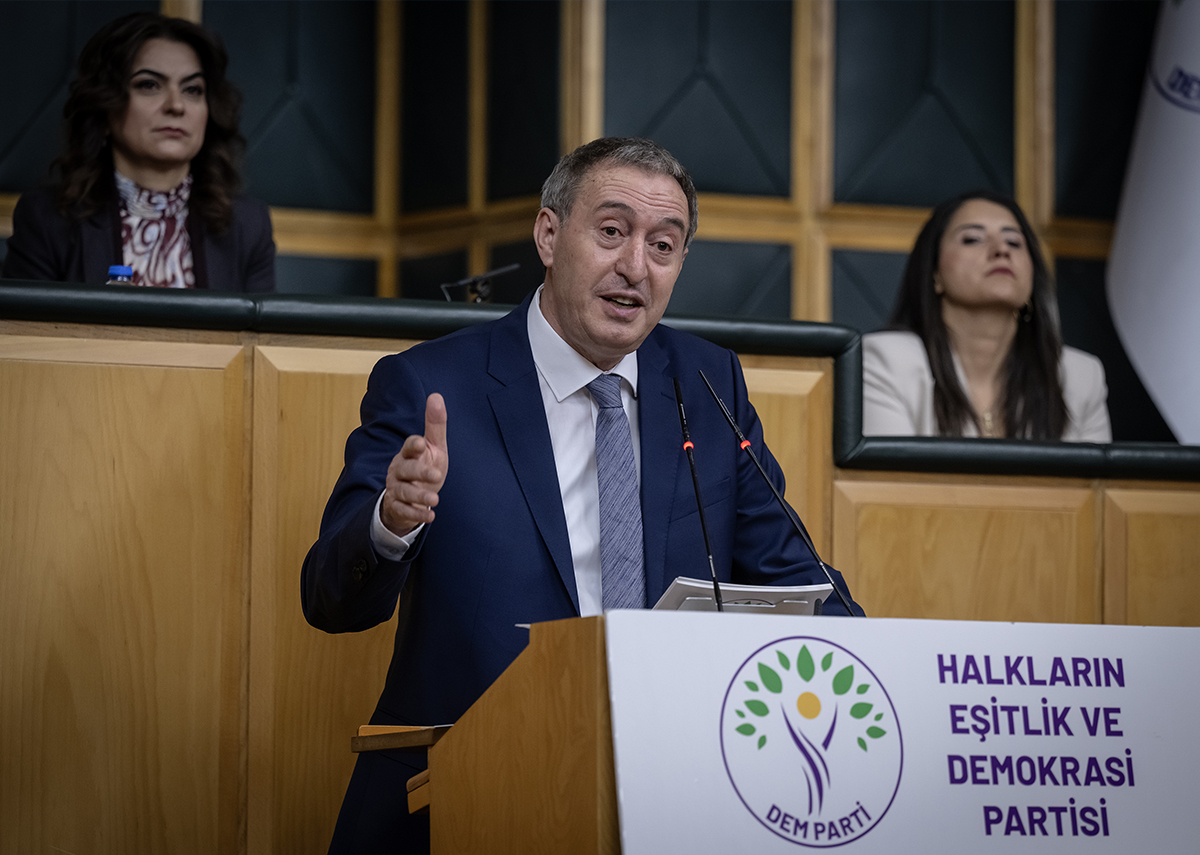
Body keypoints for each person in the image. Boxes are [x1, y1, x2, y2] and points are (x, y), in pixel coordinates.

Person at [301, 137, 863, 853]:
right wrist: (391, 522)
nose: (636, 266)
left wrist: (888, 669)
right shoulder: (430, 384)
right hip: (464, 787)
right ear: (548, 235)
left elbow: (794, 575)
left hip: (665, 790)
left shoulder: (707, 383)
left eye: (664, 245)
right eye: (612, 231)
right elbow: (331, 599)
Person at [2, 12, 274, 291]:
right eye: (149, 85)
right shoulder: (47, 219)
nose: (176, 105)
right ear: (105, 105)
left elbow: (259, 321)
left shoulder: (249, 225)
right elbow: (26, 321)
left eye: (192, 89)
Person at [862, 190, 1110, 442]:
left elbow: (1096, 470)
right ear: (935, 273)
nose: (1001, 249)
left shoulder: (1080, 377)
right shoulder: (885, 362)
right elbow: (891, 469)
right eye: (973, 239)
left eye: (1014, 242)